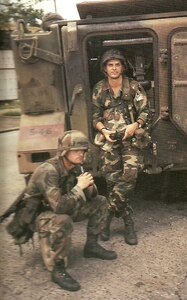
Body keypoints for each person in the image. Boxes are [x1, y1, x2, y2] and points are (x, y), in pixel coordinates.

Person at [9, 130, 117, 292]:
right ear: (64, 151)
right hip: (40, 215)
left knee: (100, 202)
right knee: (62, 220)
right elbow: (59, 207)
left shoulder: (75, 167)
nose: (81, 154)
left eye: (83, 151)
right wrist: (79, 187)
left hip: (61, 207)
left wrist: (89, 187)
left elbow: (86, 197)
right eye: (76, 150)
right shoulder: (48, 171)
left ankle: (91, 246)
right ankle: (57, 268)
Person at [92, 49, 151, 245]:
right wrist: (103, 131)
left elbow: (145, 112)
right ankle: (128, 223)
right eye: (110, 65)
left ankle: (108, 215)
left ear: (123, 67)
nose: (114, 68)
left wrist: (136, 125)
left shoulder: (133, 87)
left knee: (129, 177)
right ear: (105, 68)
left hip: (130, 140)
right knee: (112, 181)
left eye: (117, 64)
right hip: (109, 141)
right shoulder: (100, 89)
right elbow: (95, 117)